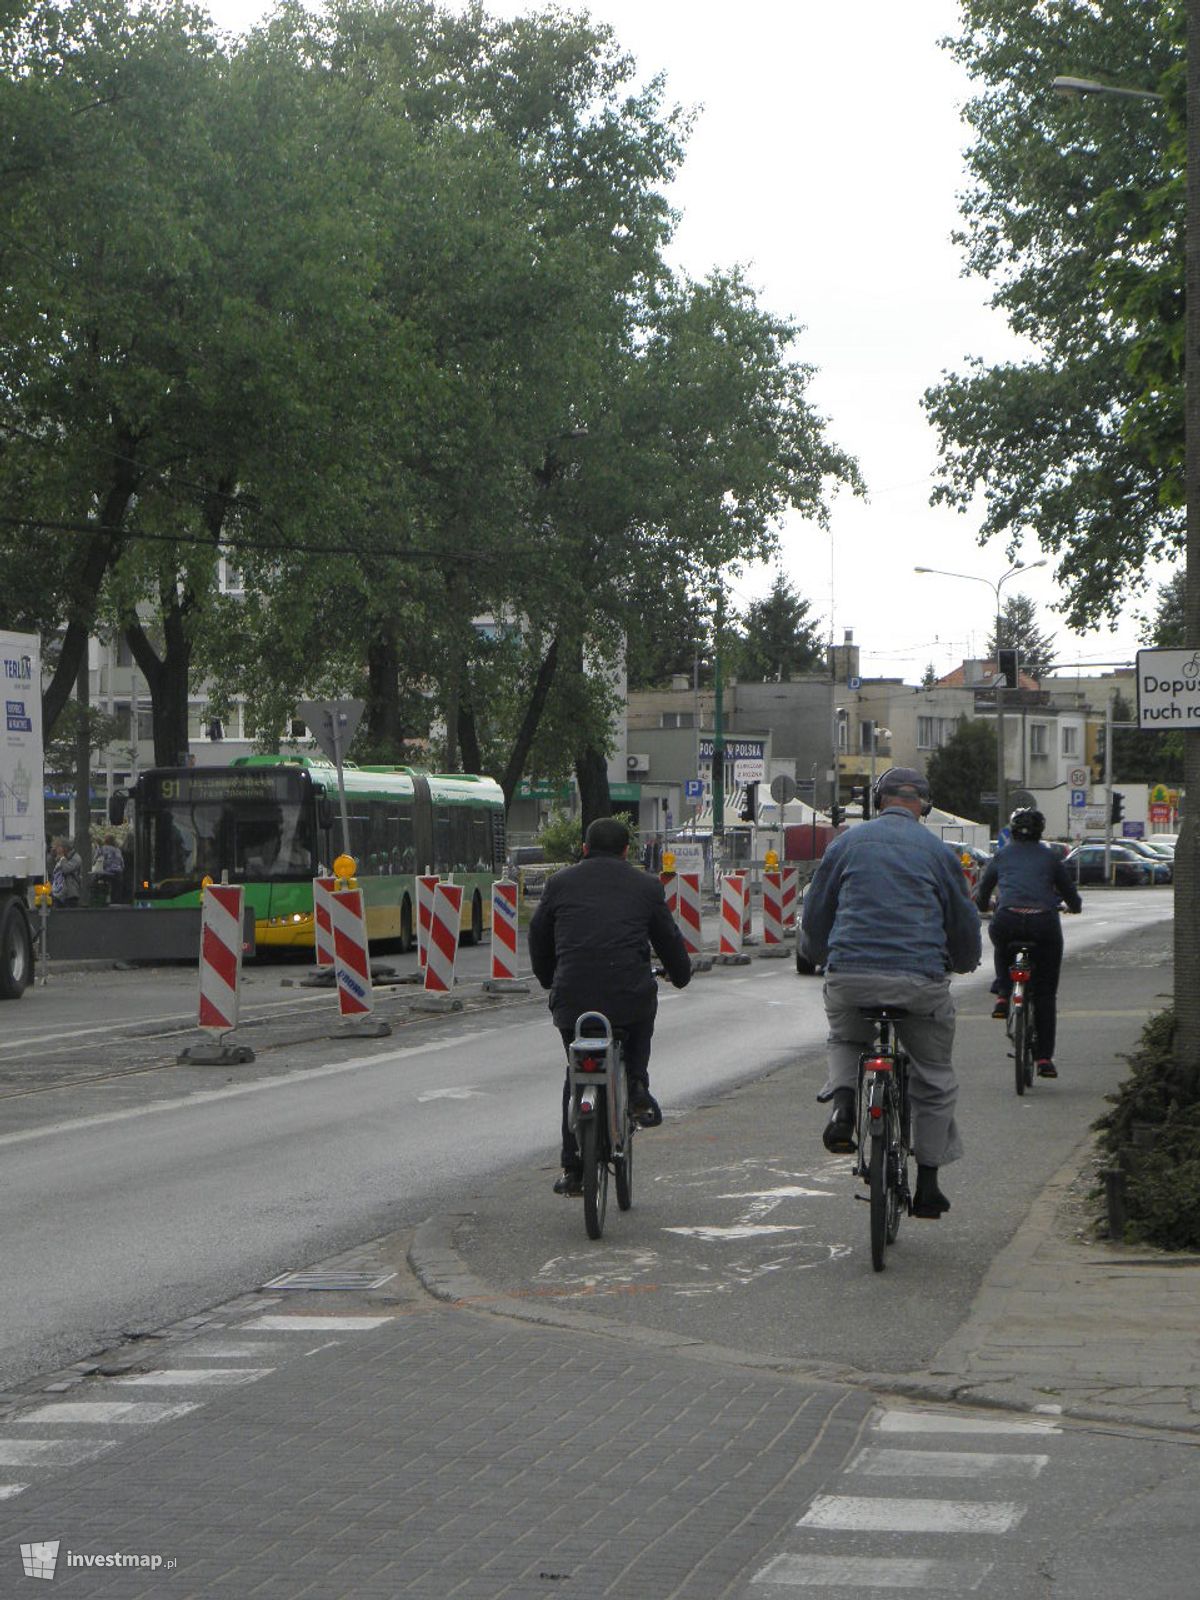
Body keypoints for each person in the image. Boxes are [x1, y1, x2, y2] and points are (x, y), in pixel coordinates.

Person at [800, 767, 982, 1219]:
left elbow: (817, 911)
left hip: (851, 977)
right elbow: (962, 921)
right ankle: (929, 1185)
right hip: (918, 982)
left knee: (846, 1037)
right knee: (934, 1076)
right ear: (925, 804)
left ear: (878, 801)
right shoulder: (939, 853)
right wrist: (961, 962)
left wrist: (822, 954)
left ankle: (844, 1108)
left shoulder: (844, 845)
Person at [529, 816, 693, 1197]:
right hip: (627, 996)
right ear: (626, 852)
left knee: (575, 1073)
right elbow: (668, 940)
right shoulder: (646, 886)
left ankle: (572, 1169)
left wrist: (549, 978)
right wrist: (680, 975)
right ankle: (636, 1084)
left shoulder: (559, 883)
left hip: (573, 1000)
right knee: (642, 1014)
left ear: (584, 849)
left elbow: (538, 936)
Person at [974, 808, 1082, 1079]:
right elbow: (1070, 893)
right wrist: (1074, 906)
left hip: (1008, 919)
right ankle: (1044, 1058)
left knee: (1000, 942)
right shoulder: (1050, 857)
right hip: (1043, 924)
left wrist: (983, 904)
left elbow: (984, 889)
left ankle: (1003, 993)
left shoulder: (1001, 855)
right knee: (1045, 994)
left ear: (1011, 830)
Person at [92, 833, 125, 904]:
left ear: (105, 841)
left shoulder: (102, 849)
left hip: (107, 872)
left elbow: (94, 860)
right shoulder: (118, 850)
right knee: (117, 886)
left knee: (95, 880)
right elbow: (122, 863)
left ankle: (100, 897)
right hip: (118, 873)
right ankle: (116, 901)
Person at [49, 837, 82, 906]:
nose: (56, 850)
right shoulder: (61, 857)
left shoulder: (76, 858)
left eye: (58, 847)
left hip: (70, 894)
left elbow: (66, 869)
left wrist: (62, 858)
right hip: (59, 894)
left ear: (65, 848)